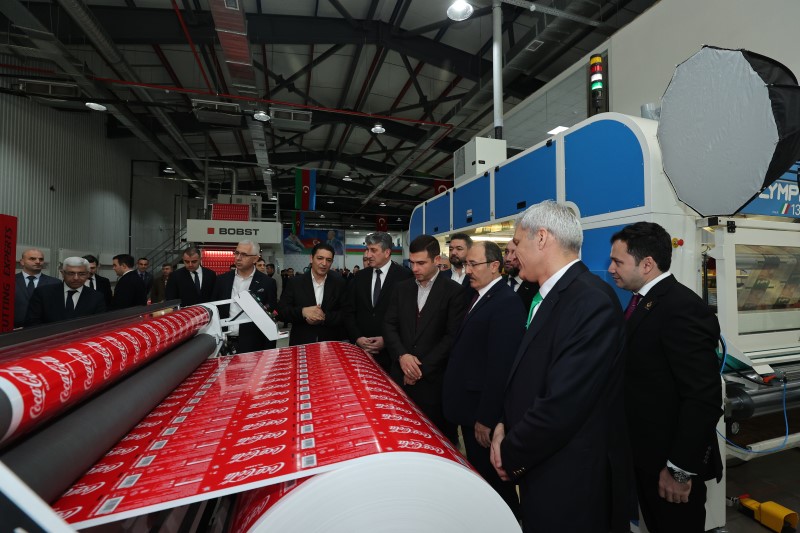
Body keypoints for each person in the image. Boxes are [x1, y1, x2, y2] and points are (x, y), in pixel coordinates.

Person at [489, 201, 629, 533]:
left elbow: (563, 403)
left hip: (569, 481)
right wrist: (503, 424)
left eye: (517, 242)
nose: (512, 252)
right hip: (544, 465)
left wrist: (510, 452)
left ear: (541, 238)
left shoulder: (590, 301)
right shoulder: (549, 295)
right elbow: (530, 373)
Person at [609, 222, 722, 533]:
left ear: (647, 264)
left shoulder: (681, 308)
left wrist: (679, 471)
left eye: (618, 261)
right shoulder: (641, 302)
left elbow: (703, 398)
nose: (611, 269)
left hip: (670, 465)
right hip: (645, 458)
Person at [442, 241, 524, 518]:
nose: (467, 270)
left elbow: (500, 366)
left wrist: (487, 418)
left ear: (494, 266)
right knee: (480, 475)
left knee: (494, 482)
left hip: (480, 413)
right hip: (468, 407)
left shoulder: (506, 303)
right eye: (466, 264)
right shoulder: (478, 295)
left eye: (473, 264)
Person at [383, 234, 466, 443]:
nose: (415, 268)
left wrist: (418, 370)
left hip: (434, 385)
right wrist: (402, 356)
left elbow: (451, 337)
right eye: (412, 263)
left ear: (437, 260)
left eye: (421, 263)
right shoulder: (401, 288)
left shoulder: (454, 292)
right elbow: (389, 325)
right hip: (400, 381)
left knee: (437, 441)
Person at [344, 232, 412, 373]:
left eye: (373, 250)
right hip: (362, 354)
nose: (368, 255)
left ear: (387, 252)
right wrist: (357, 337)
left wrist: (387, 340)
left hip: (393, 356)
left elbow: (408, 317)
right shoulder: (360, 277)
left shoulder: (404, 277)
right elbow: (349, 311)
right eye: (367, 250)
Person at [211, 240, 278, 354]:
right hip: (224, 343)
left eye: (244, 255)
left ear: (255, 259)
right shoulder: (222, 280)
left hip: (253, 345)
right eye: (237, 253)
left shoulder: (267, 283)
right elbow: (214, 310)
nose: (238, 258)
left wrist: (269, 351)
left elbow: (270, 317)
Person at [278, 242, 346, 346]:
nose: (324, 263)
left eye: (328, 260)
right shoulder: (295, 283)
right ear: (311, 258)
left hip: (331, 344)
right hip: (301, 343)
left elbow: (345, 313)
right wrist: (302, 312)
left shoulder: (339, 283)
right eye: (320, 258)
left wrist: (324, 317)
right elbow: (281, 312)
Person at [24, 257, 106, 326]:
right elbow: (32, 322)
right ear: (62, 273)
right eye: (71, 273)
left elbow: (98, 326)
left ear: (88, 274)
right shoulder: (43, 293)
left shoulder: (96, 297)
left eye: (81, 274)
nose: (76, 278)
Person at [14, 248, 60, 328]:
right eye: (32, 259)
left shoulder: (55, 283)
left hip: (43, 329)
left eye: (41, 259)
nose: (38, 262)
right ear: (22, 262)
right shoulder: (9, 281)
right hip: (13, 329)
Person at [503, 239, 538, 312]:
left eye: (514, 252)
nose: (508, 258)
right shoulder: (499, 282)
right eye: (506, 252)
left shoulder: (536, 286)